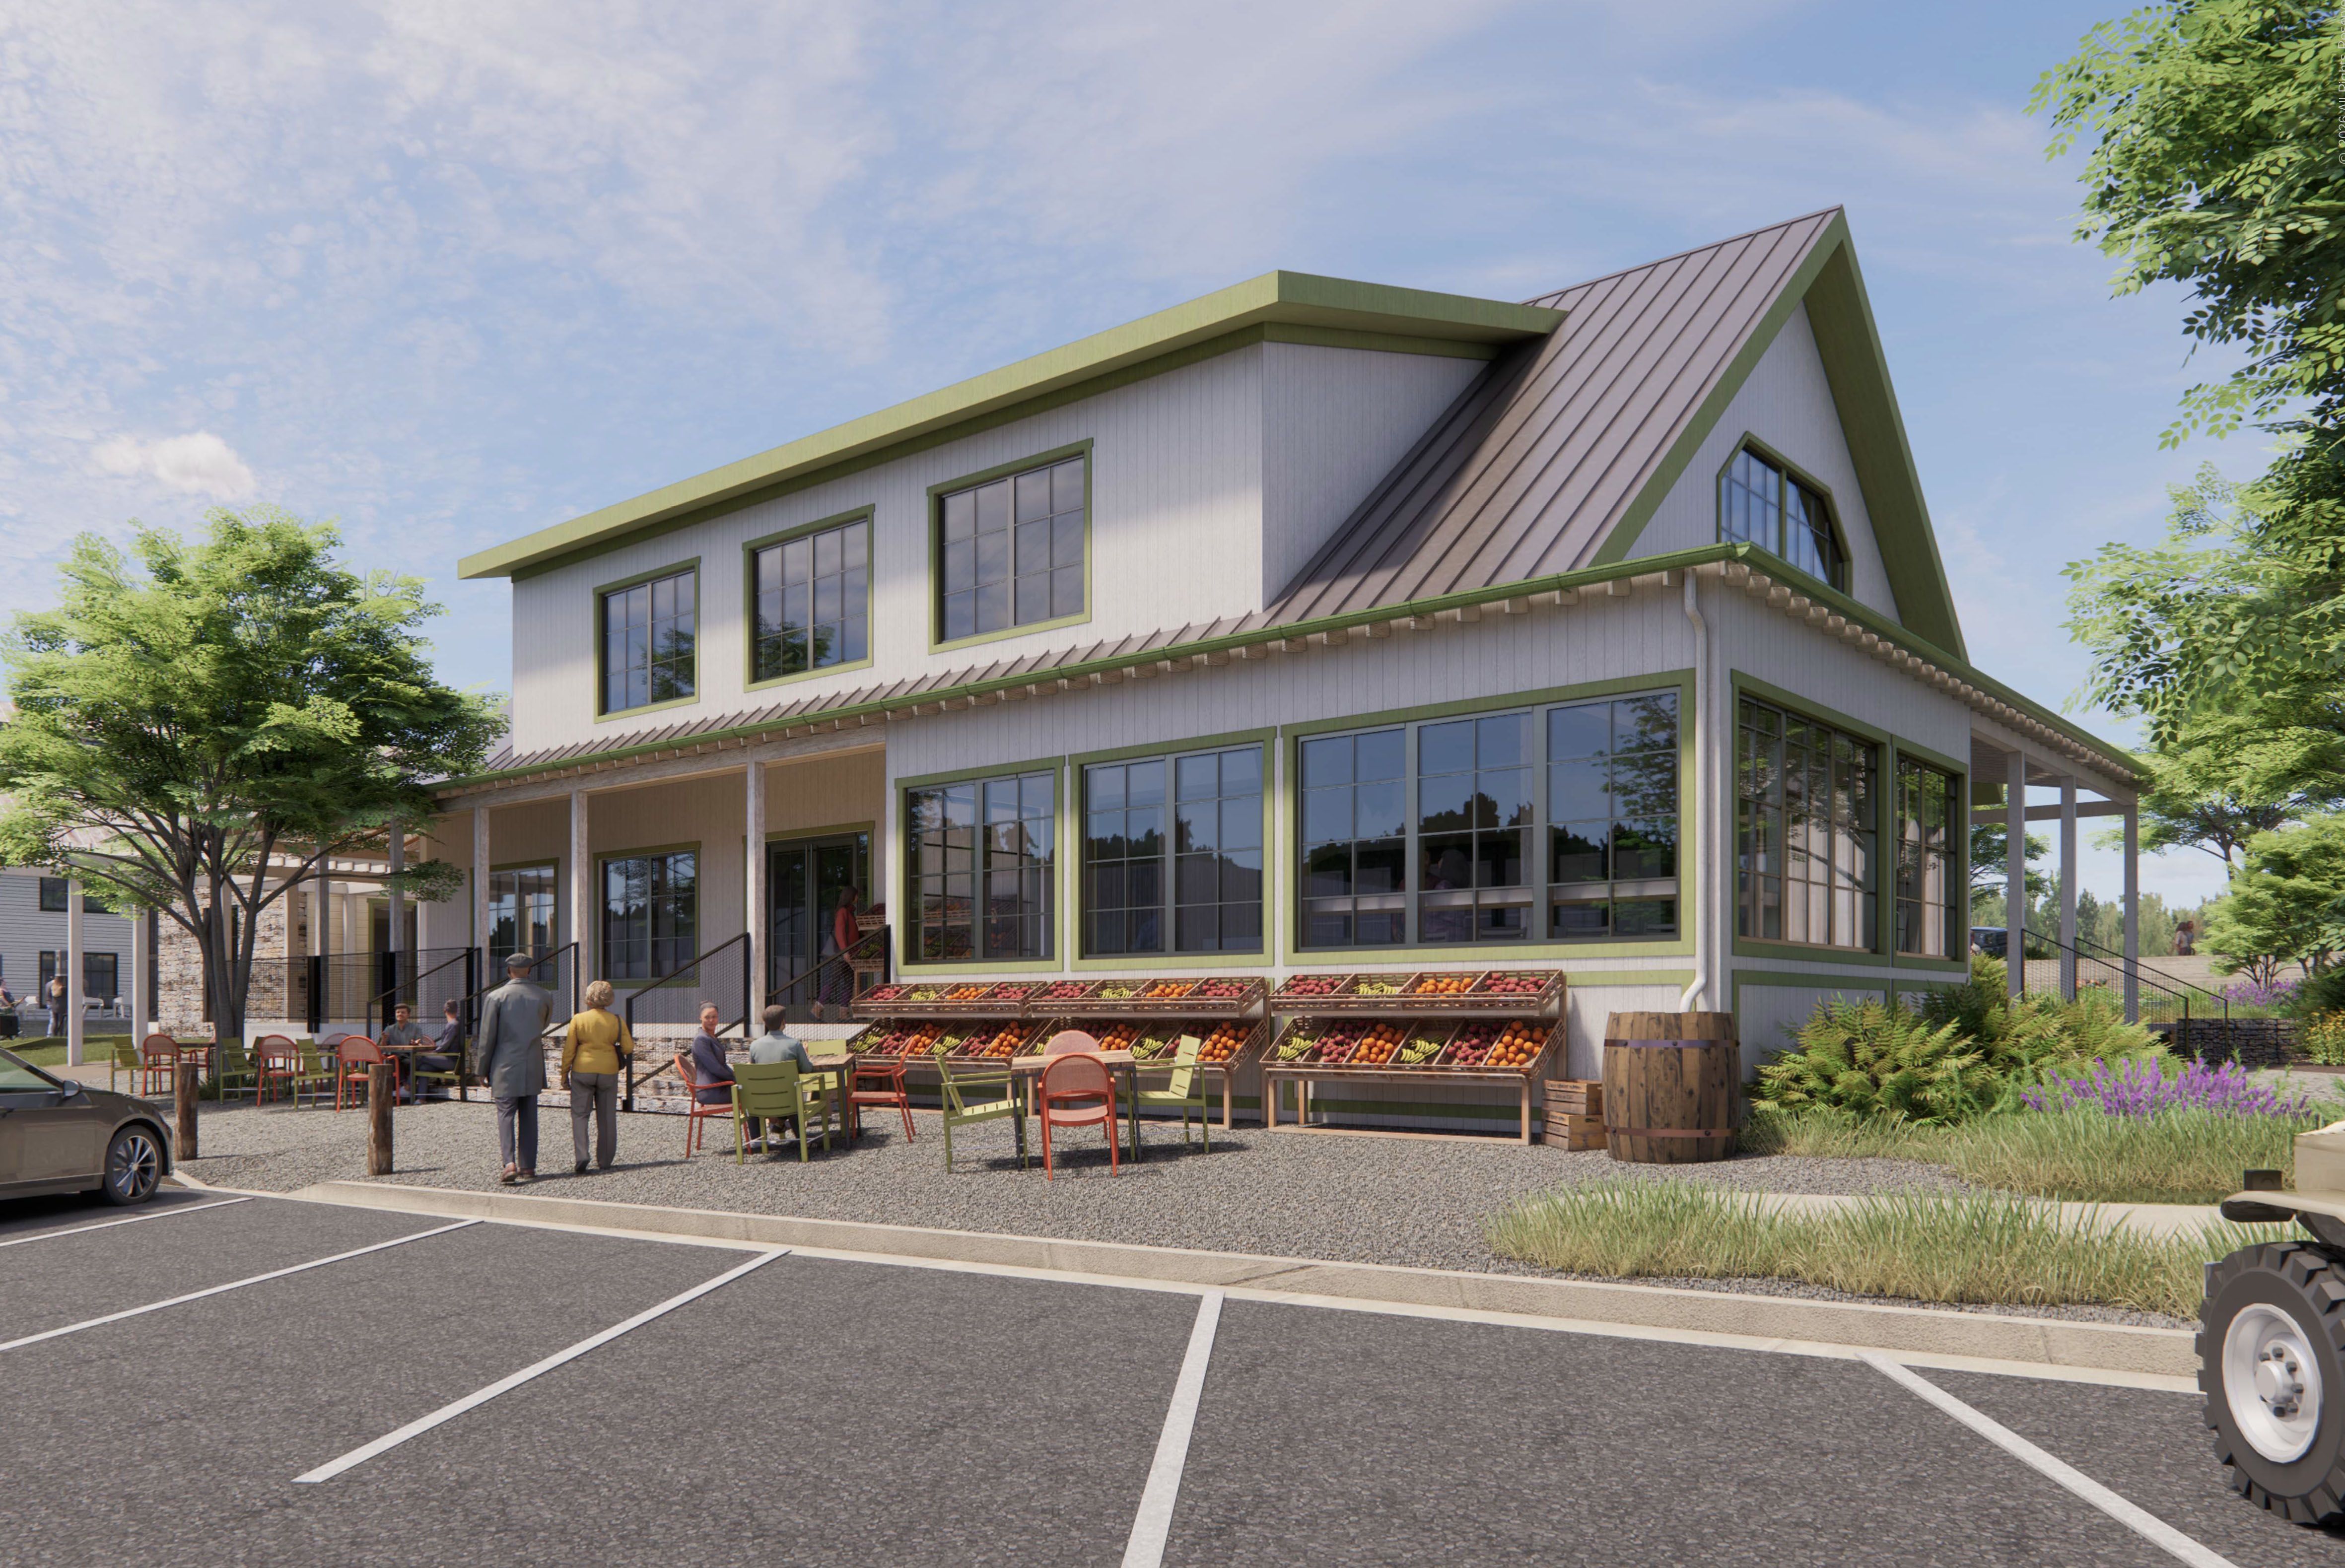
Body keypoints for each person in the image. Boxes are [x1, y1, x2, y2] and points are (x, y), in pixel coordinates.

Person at [476, 952, 552, 1184]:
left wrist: (482, 1068)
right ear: (529, 970)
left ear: (509, 971)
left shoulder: (496, 997)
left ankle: (509, 1162)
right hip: (532, 1063)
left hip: (504, 1064)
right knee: (530, 1115)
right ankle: (529, 1166)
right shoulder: (544, 996)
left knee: (506, 1115)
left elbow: (487, 1036)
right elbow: (545, 1023)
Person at [559, 980, 635, 1174]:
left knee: (580, 1115)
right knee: (607, 1117)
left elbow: (569, 1050)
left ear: (589, 998)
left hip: (582, 1070)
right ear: (609, 999)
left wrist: (564, 1074)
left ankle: (582, 1155)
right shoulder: (617, 1020)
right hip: (608, 1071)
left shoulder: (579, 1019)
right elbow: (628, 1048)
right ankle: (606, 1160)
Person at [378, 1002, 430, 1102]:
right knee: (393, 1061)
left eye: (403, 1012)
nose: (400, 1014)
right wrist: (384, 1040)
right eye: (398, 1012)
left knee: (413, 1062)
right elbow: (383, 1047)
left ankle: (405, 1088)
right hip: (395, 1056)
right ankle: (405, 1085)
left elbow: (420, 1045)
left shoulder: (416, 1029)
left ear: (408, 1015)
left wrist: (416, 1044)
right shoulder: (389, 1029)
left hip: (409, 1057)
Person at [45, 972, 67, 1039]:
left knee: (54, 1021)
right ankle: (60, 1035)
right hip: (62, 1006)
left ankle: (53, 1035)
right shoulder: (64, 988)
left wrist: (49, 1004)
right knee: (61, 1022)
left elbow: (48, 996)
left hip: (53, 1005)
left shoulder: (50, 985)